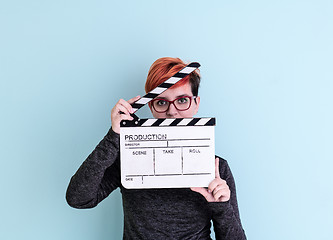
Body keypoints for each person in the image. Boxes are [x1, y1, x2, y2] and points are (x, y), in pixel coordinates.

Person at [66, 57, 247, 240]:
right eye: (161, 102)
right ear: (151, 107)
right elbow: (79, 198)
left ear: (196, 103)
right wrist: (114, 136)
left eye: (182, 100)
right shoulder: (130, 159)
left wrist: (222, 208)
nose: (172, 112)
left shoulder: (216, 167)